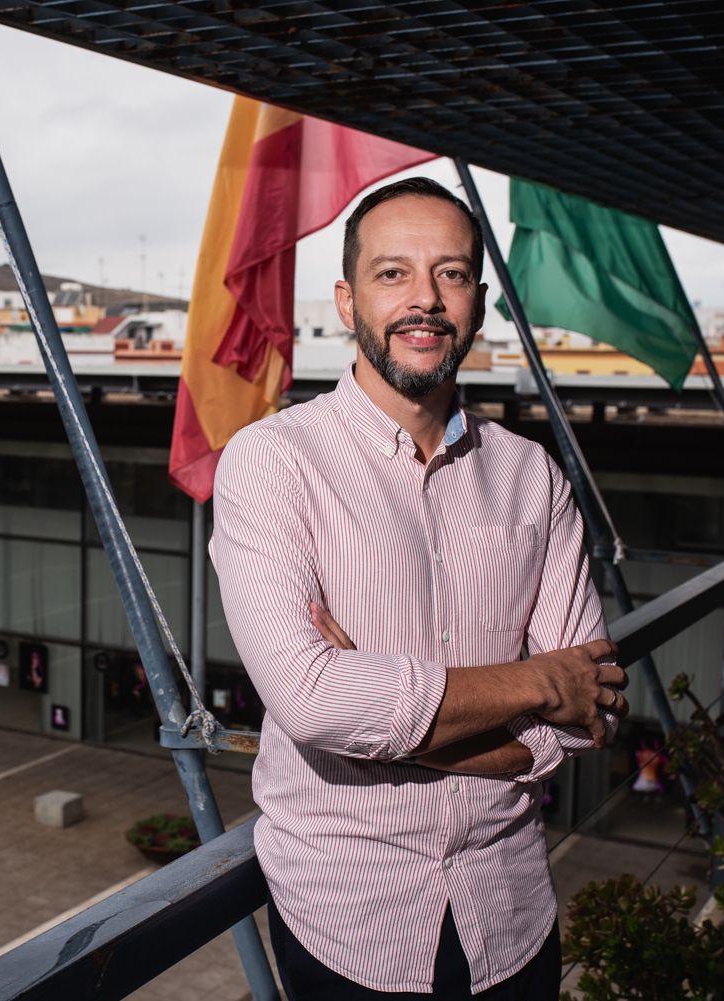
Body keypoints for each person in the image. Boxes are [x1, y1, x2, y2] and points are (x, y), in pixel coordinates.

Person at [209, 177, 628, 1000]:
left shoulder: (530, 475)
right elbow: (314, 703)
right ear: (347, 298)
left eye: (451, 274)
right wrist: (542, 684)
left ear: (476, 300)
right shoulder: (272, 461)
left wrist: (381, 704)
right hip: (346, 924)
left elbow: (593, 715)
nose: (424, 301)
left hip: (511, 912)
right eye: (393, 273)